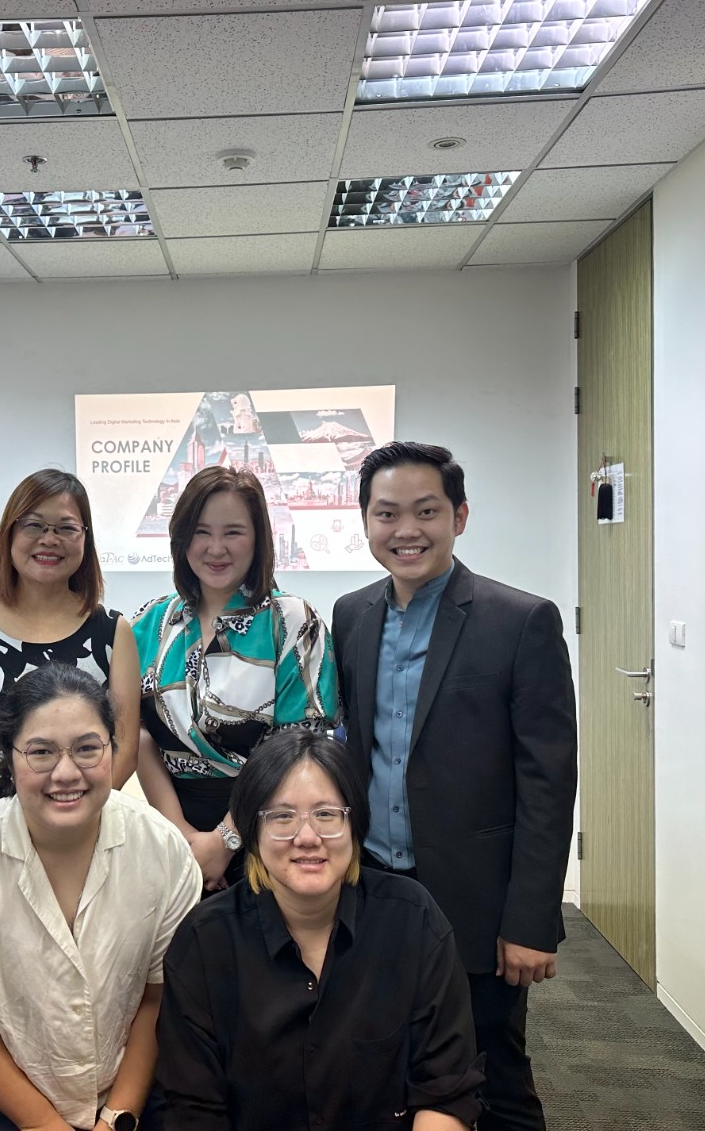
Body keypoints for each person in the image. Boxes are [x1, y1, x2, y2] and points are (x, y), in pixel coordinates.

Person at [330, 441, 577, 1131]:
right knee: (385, 1063)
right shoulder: (351, 615)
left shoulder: (520, 620)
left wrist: (531, 922)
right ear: (366, 521)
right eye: (387, 514)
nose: (406, 530)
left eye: (426, 511)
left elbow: (548, 783)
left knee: (493, 1077)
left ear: (459, 517)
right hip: (373, 886)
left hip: (477, 901)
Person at [0, 664, 200, 1131]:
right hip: (8, 1099)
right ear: (9, 757)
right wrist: (44, 1124)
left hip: (134, 1092)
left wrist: (116, 1117)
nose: (66, 773)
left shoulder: (162, 850)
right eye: (41, 752)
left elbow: (157, 996)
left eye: (87, 749)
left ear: (113, 749)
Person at [156, 729, 483, 1129]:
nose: (307, 837)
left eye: (327, 815)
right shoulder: (204, 942)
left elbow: (445, 1089)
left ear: (355, 826)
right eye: (282, 816)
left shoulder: (413, 921)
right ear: (252, 835)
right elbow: (193, 1111)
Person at [131, 466, 340, 891]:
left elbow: (297, 747)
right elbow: (136, 733)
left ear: (259, 538)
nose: (216, 548)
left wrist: (225, 841)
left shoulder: (293, 621)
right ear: (180, 539)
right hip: (172, 832)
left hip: (269, 827)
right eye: (201, 532)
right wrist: (182, 837)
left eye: (233, 532)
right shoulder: (151, 622)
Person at [0, 469, 140, 813]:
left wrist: (72, 816)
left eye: (66, 528)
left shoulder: (114, 631)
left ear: (85, 539)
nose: (49, 539)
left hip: (83, 823)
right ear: (9, 533)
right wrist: (7, 825)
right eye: (34, 525)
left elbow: (125, 749)